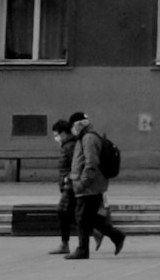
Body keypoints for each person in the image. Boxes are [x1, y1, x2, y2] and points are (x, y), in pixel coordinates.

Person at [64, 111, 126, 259]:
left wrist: (83, 182)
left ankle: (83, 249)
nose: (72, 130)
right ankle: (116, 236)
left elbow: (91, 163)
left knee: (82, 217)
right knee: (87, 217)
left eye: (73, 126)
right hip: (89, 185)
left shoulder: (89, 138)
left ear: (78, 125)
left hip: (89, 186)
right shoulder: (85, 137)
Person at [48, 118, 76, 255]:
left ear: (64, 133)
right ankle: (104, 230)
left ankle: (65, 244)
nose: (56, 138)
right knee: (72, 213)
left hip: (71, 185)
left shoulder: (70, 146)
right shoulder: (68, 145)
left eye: (56, 135)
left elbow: (76, 165)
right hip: (69, 184)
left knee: (62, 210)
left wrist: (67, 178)